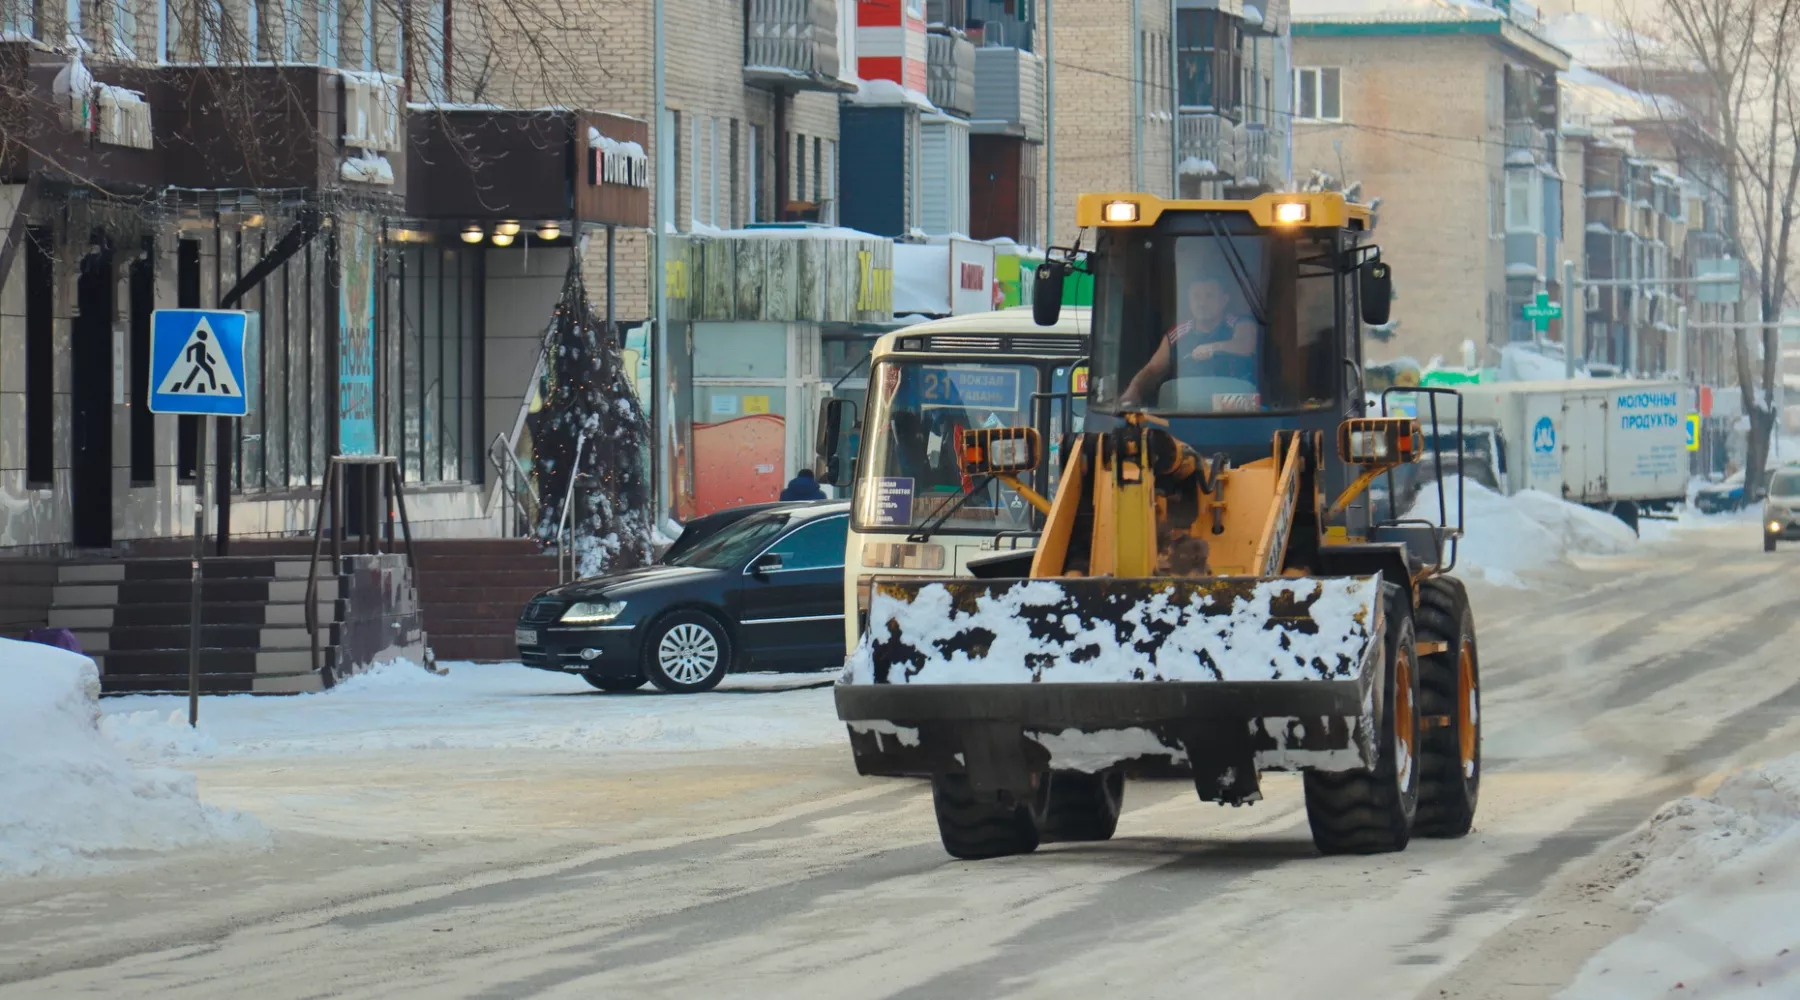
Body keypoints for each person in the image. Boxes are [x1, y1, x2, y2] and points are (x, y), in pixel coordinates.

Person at [1119, 277, 1259, 408]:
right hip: (1187, 412)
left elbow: (1246, 345)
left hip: (1236, 412)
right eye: (1196, 296)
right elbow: (1153, 369)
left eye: (1209, 296)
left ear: (1224, 300)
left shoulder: (1240, 324)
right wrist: (1134, 389)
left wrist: (1213, 348)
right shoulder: (1177, 334)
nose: (1202, 303)